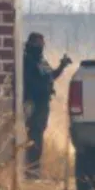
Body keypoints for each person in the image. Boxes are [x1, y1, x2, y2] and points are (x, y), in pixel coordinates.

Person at [23, 32, 72, 180]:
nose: (41, 46)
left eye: (42, 43)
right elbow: (28, 82)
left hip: (42, 103)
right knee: (34, 136)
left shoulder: (40, 60)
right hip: (32, 103)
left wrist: (62, 66)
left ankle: (34, 170)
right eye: (38, 43)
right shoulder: (27, 60)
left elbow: (50, 76)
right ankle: (31, 171)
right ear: (31, 43)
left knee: (38, 136)